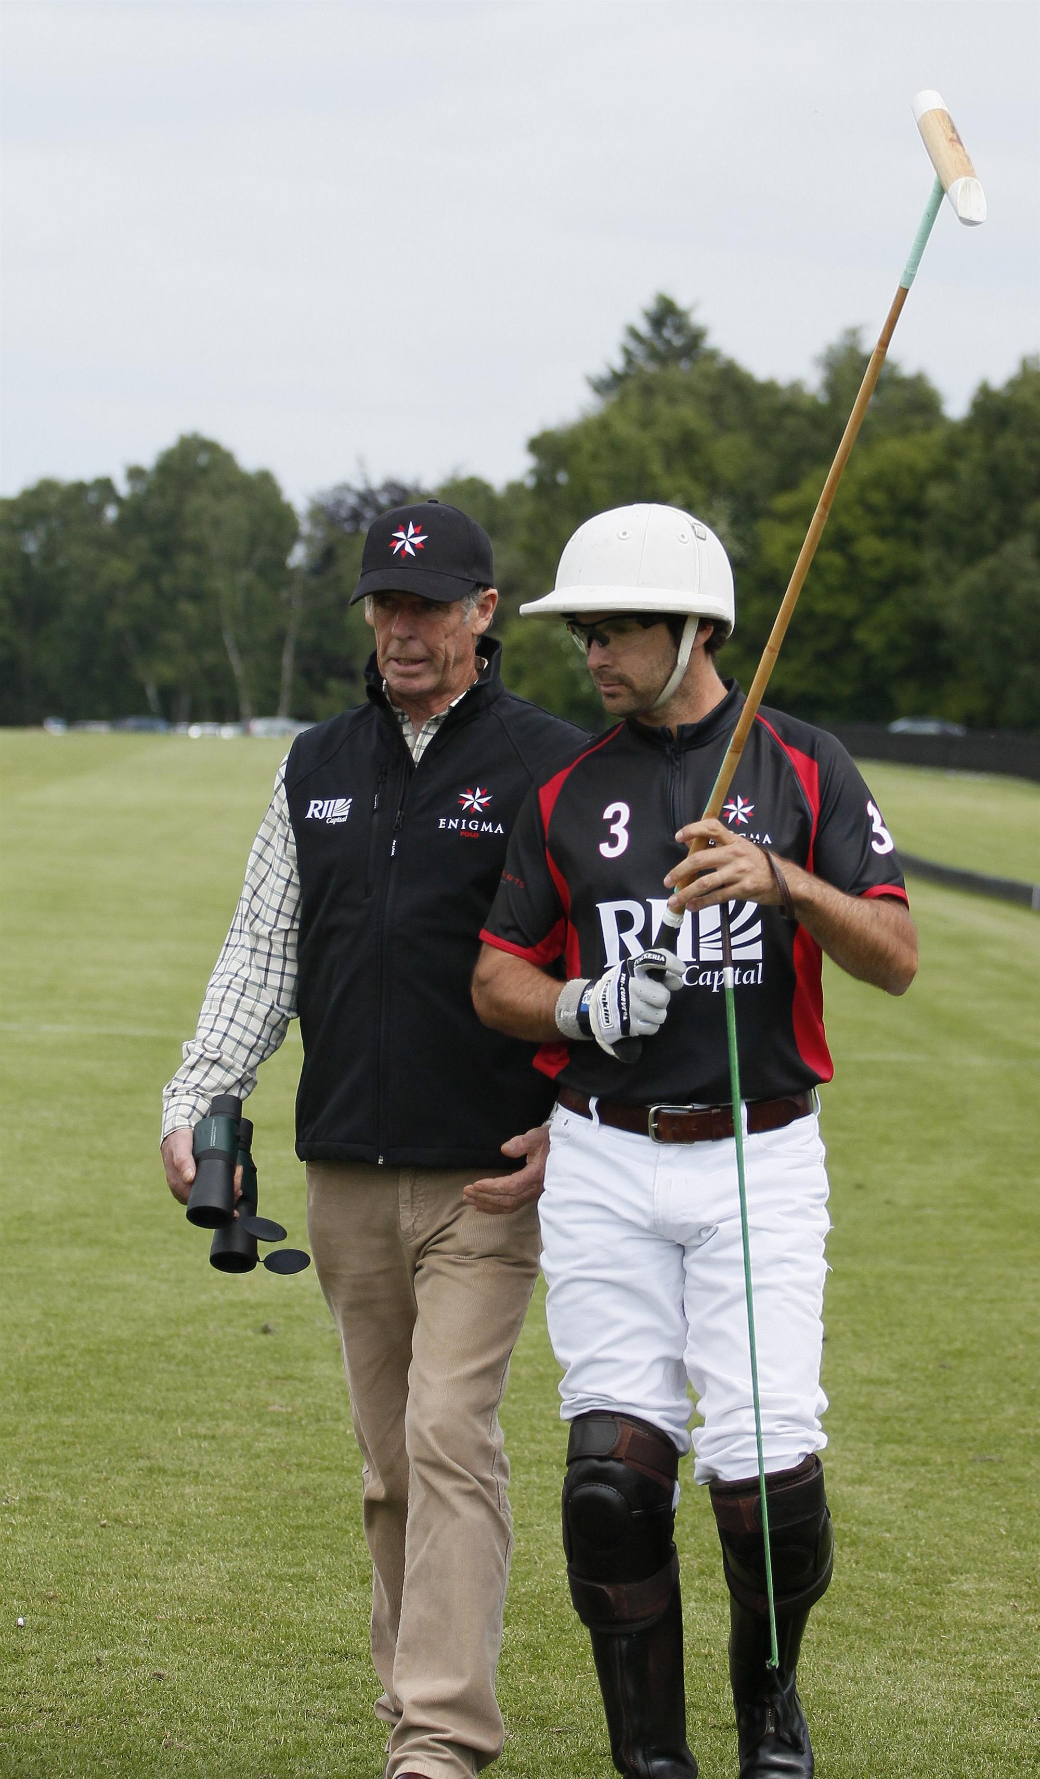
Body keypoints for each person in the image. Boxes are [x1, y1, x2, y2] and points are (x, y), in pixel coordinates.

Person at [471, 503, 917, 1779]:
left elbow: (892, 955)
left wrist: (781, 881)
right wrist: (576, 1004)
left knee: (763, 1482)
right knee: (609, 1483)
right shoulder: (568, 788)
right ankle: (648, 1762)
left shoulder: (803, 765)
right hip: (603, 1152)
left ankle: (769, 1717)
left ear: (693, 628)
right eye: (587, 633)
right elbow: (494, 975)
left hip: (756, 1153)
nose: (592, 655)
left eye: (613, 630)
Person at [161, 499, 584, 1779]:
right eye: (385, 607)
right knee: (391, 1465)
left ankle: (440, 1737)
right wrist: (197, 1093)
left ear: (482, 615)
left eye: (428, 606)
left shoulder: (549, 766)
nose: (402, 630)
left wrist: (573, 1117)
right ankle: (415, 1704)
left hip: (484, 1176)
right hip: (343, 1170)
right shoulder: (314, 765)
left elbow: (594, 958)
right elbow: (262, 947)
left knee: (452, 1435)